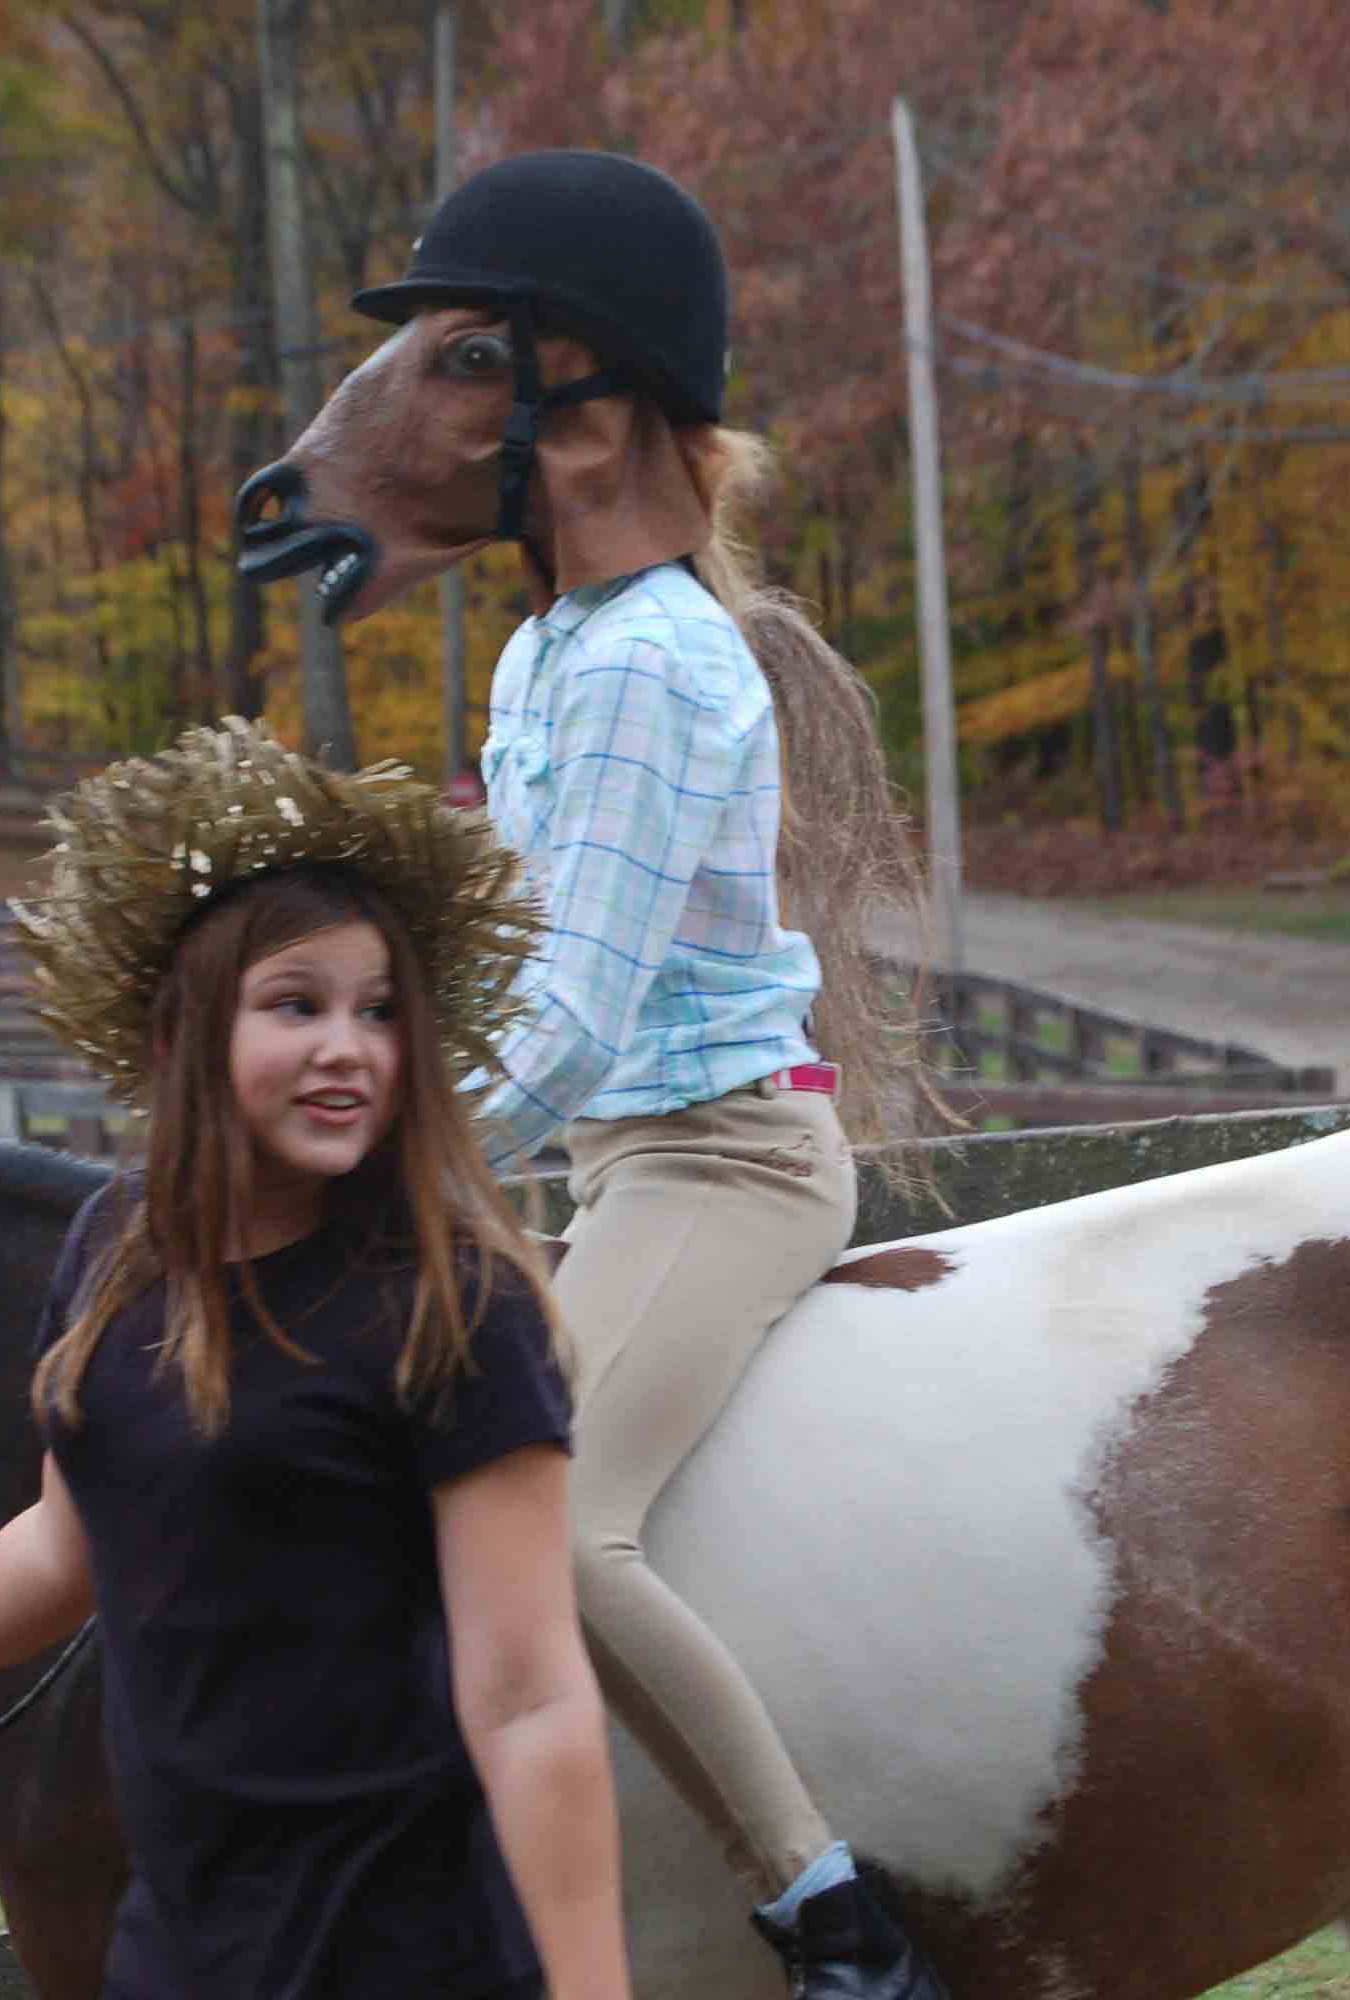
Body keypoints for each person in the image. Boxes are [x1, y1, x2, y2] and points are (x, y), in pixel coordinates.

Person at [296, 149, 956, 1998]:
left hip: (721, 1166)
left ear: (580, 404)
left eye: (466, 360)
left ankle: (827, 1913)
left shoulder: (651, 664)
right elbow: (517, 966)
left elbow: (577, 1015)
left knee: (559, 1527)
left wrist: (355, 1167)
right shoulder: (548, 651)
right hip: (614, 1165)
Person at [0, 722, 629, 2000]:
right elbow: (63, 1542)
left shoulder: (451, 1303)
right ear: (185, 1031)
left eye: (378, 1010)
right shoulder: (117, 1249)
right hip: (180, 1951)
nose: (346, 1044)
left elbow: (526, 1698)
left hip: (407, 1957)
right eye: (295, 1003)